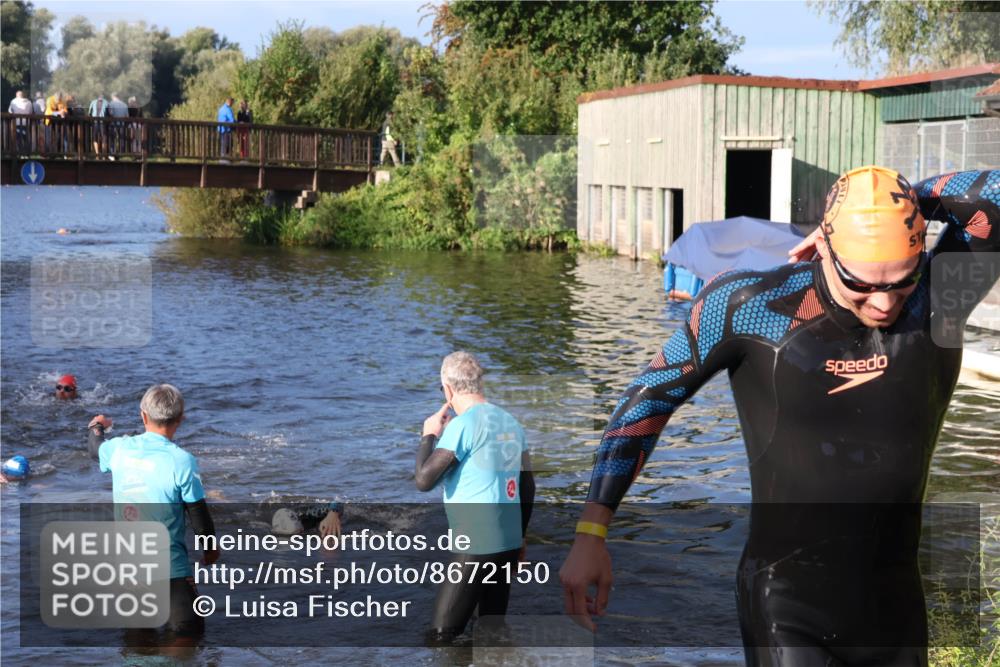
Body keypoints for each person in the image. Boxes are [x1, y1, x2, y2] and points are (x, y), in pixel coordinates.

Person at [559, 166, 1000, 665]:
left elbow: (996, 193)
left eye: (902, 281)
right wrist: (592, 532)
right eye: (860, 282)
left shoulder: (940, 298)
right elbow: (648, 399)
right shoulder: (751, 305)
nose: (883, 303)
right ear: (824, 246)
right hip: (788, 608)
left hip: (895, 612)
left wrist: (904, 201)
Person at [414, 351, 535, 643]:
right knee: (490, 634)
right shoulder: (510, 422)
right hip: (507, 543)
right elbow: (528, 486)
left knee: (440, 638)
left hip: (476, 545)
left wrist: (429, 436)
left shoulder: (462, 425)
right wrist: (520, 537)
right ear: (480, 383)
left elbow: (424, 480)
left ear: (448, 390)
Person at [87, 384, 219, 640]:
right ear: (181, 419)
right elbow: (198, 515)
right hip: (170, 570)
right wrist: (210, 550)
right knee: (188, 637)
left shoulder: (119, 449)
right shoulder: (182, 461)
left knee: (138, 642)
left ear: (143, 416)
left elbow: (95, 447)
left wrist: (97, 425)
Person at [106, 93, 129, 157]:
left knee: (112, 139)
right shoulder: (124, 104)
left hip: (113, 124)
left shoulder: (110, 104)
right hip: (122, 124)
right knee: (121, 138)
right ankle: (121, 152)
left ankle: (112, 152)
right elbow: (127, 116)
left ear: (113, 97)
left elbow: (111, 114)